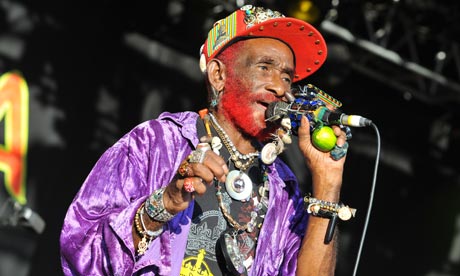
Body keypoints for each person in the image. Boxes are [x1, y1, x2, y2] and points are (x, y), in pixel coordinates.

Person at [60, 5, 353, 276]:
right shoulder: (157, 142)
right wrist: (164, 204)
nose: (279, 87)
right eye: (264, 67)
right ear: (218, 75)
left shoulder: (282, 190)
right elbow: (80, 251)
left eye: (287, 77)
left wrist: (328, 184)